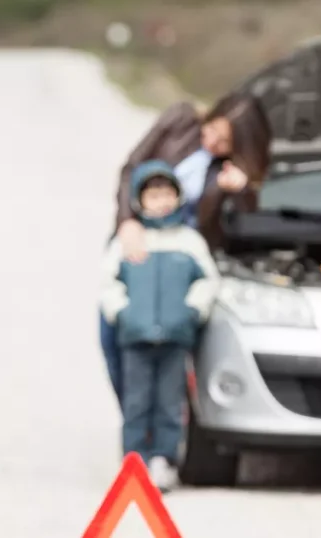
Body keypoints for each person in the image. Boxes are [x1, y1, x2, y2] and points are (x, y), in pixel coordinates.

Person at [101, 93, 272, 406]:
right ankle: (138, 424)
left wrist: (241, 191)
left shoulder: (231, 169)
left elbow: (242, 224)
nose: (213, 143)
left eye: (224, 142)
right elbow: (132, 167)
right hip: (135, 241)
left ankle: (160, 436)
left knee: (168, 359)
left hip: (179, 262)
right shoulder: (180, 119)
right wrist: (127, 221)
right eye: (212, 132)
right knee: (113, 339)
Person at [100, 160, 221, 492]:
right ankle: (134, 462)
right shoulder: (129, 241)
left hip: (175, 337)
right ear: (141, 201)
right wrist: (122, 312)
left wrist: (192, 311)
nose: (161, 201)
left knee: (170, 402)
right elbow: (108, 282)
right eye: (153, 195)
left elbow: (207, 280)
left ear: (178, 197)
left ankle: (164, 460)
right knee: (136, 401)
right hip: (135, 337)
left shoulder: (189, 241)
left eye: (167, 194)